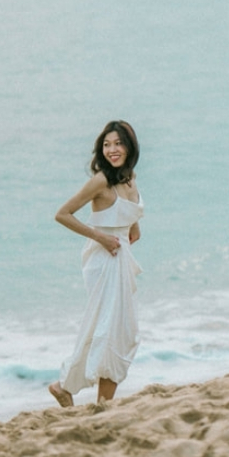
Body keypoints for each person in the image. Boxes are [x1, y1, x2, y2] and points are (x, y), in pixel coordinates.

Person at [49, 120, 144, 408]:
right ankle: (72, 389)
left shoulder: (130, 180)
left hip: (120, 258)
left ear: (129, 147)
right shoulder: (100, 181)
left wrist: (127, 234)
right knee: (105, 330)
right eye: (106, 144)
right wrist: (101, 237)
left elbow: (133, 228)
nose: (112, 150)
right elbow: (63, 214)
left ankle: (89, 397)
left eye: (118, 144)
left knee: (122, 333)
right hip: (103, 261)